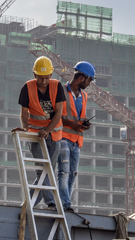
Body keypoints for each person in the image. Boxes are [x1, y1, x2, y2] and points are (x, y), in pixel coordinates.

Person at [11, 56, 66, 209]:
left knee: (47, 171)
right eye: (40, 78)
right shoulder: (27, 88)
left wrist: (47, 130)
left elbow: (59, 112)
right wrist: (26, 129)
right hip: (35, 134)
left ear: (51, 75)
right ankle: (51, 202)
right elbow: (24, 113)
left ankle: (29, 204)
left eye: (46, 78)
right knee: (41, 169)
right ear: (34, 75)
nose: (43, 81)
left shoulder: (57, 86)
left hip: (54, 134)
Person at [58, 61, 95, 213]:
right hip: (62, 139)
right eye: (89, 80)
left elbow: (78, 117)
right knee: (64, 172)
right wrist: (70, 124)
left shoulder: (84, 96)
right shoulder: (61, 91)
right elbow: (53, 116)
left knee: (72, 174)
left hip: (76, 141)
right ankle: (65, 205)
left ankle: (65, 202)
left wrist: (83, 124)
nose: (90, 83)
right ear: (82, 78)